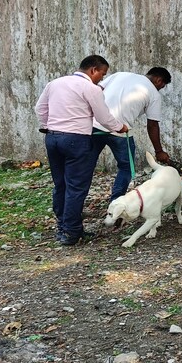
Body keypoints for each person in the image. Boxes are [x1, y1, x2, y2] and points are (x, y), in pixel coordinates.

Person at [35, 55, 129, 246]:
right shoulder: (91, 88)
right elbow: (103, 118)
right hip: (77, 140)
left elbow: (40, 108)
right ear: (93, 70)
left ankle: (63, 227)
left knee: (60, 184)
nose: (101, 79)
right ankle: (71, 233)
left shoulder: (55, 83)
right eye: (102, 74)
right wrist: (120, 127)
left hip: (52, 138)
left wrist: (48, 126)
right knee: (76, 187)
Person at [90, 67, 173, 203]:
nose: (160, 89)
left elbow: (95, 90)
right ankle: (116, 202)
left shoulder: (120, 74)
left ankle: (74, 209)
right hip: (120, 131)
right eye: (162, 86)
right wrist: (159, 151)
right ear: (159, 80)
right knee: (126, 167)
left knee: (86, 166)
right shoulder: (153, 94)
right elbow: (152, 125)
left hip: (95, 126)